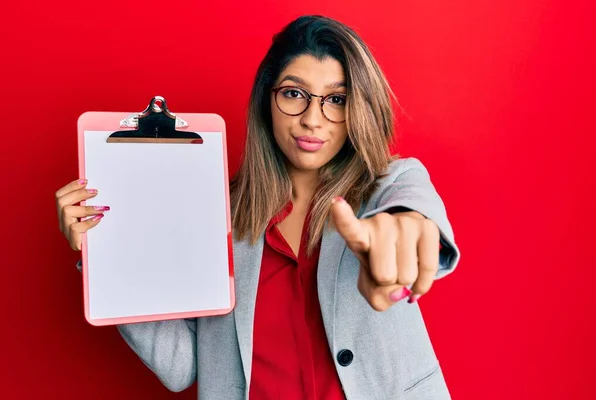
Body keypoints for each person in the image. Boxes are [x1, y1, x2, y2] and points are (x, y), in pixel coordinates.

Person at [55, 15, 460, 400]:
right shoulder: (216, 216)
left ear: (359, 109)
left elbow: (413, 217)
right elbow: (180, 369)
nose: (312, 119)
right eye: (294, 94)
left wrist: (403, 233)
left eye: (336, 99)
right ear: (267, 98)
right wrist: (104, 251)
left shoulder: (392, 183)